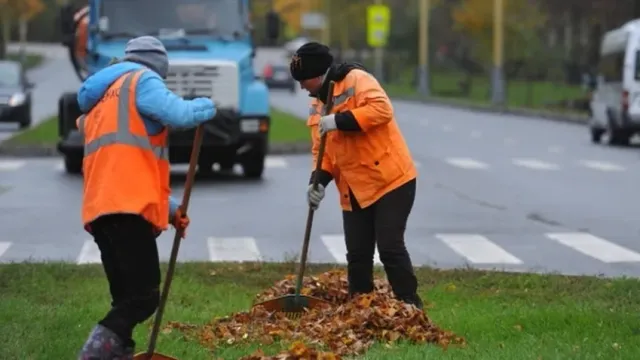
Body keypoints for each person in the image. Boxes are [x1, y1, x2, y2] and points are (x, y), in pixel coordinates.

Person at [76, 36, 217, 359]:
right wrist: (205, 106)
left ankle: (118, 354)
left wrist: (170, 210)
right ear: (157, 66)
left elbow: (125, 166)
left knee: (125, 298)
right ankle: (93, 355)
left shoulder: (103, 99)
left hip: (102, 208)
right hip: (125, 209)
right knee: (143, 297)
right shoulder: (141, 78)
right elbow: (179, 114)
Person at [290, 42, 424, 309]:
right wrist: (317, 182)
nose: (302, 87)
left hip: (390, 180)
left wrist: (339, 120)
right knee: (358, 254)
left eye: (303, 80)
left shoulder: (357, 79)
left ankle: (410, 307)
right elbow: (322, 151)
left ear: (317, 75)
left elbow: (382, 110)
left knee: (390, 247)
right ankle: (360, 310)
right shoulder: (317, 104)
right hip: (353, 187)